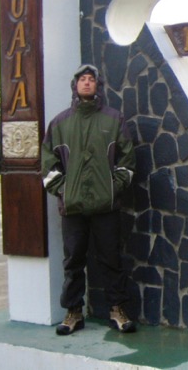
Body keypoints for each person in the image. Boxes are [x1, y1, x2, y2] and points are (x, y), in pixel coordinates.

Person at [41, 64, 137, 335]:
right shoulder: (59, 123)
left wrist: (112, 188)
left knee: (111, 259)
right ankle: (73, 312)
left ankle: (117, 309)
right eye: (82, 79)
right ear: (75, 85)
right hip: (72, 207)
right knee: (73, 262)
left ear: (98, 86)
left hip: (106, 206)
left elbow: (128, 159)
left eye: (91, 79)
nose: (86, 83)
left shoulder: (113, 119)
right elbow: (48, 162)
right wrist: (64, 190)